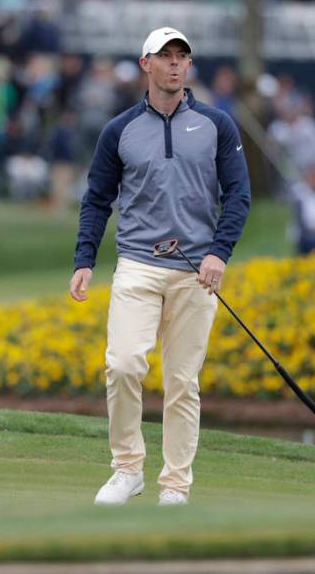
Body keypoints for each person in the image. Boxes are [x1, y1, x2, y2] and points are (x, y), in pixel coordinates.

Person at [69, 27, 251, 507]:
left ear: (188, 66)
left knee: (181, 382)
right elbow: (97, 200)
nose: (174, 64)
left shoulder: (217, 125)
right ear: (146, 64)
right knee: (124, 364)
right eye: (164, 56)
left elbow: (238, 195)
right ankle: (127, 469)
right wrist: (85, 259)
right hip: (138, 265)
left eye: (181, 56)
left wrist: (219, 252)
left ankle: (176, 486)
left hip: (196, 270)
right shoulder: (119, 130)